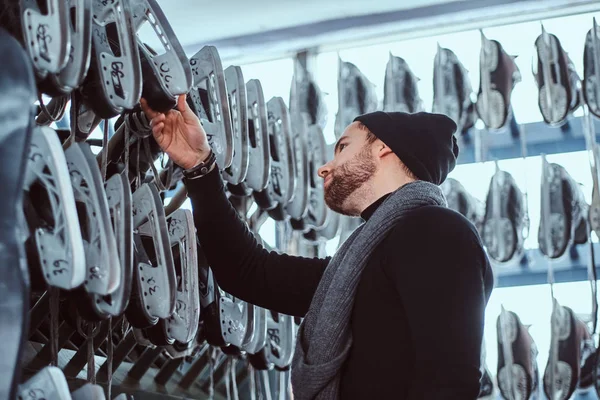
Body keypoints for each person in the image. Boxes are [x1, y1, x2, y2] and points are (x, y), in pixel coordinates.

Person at [141, 94, 494, 400]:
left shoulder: (436, 231)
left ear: (384, 147)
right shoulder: (357, 267)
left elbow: (451, 379)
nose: (325, 167)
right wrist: (200, 166)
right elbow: (248, 272)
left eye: (343, 147)